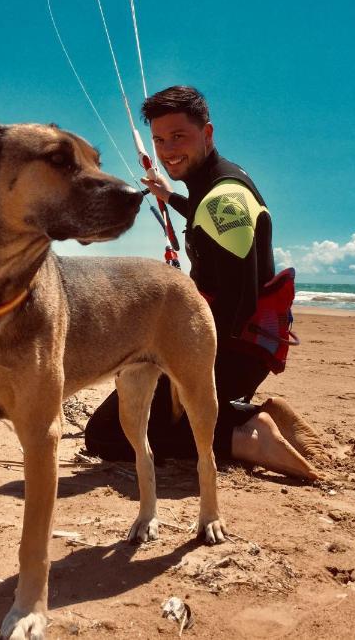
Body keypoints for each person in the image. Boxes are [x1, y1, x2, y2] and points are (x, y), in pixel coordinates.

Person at [85, 86, 326, 479]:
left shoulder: (222, 201)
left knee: (107, 434)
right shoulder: (218, 182)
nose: (167, 150)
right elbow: (204, 215)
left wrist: (183, 369)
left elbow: (239, 301)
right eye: (159, 140)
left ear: (207, 133)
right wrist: (170, 196)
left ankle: (245, 433)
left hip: (229, 349)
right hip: (237, 346)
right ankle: (255, 413)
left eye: (179, 136)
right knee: (137, 410)